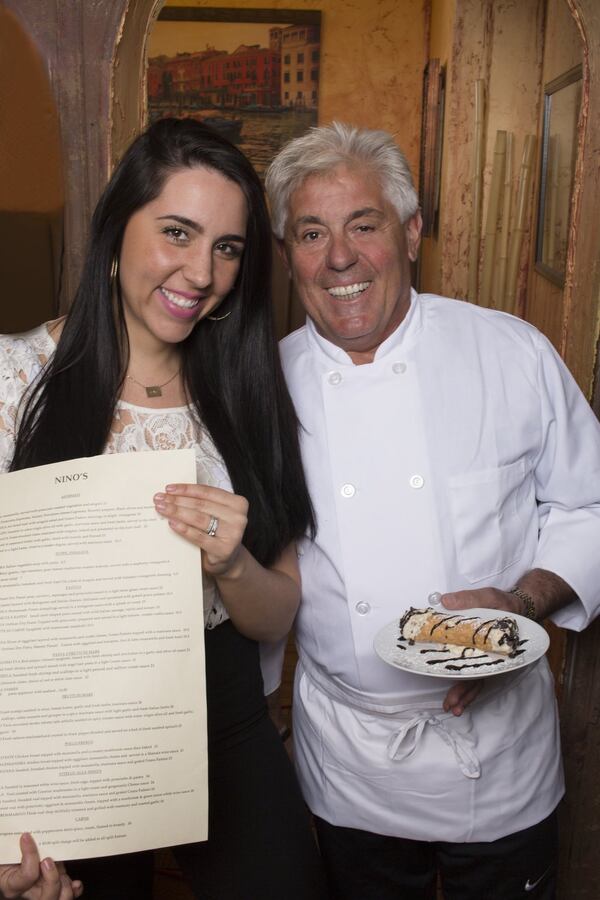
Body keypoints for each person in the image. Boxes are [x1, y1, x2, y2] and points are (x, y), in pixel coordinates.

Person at [263, 121, 600, 899]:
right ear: (288, 256)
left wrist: (519, 609)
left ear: (411, 233)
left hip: (499, 762)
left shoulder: (510, 354)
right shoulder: (260, 388)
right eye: (311, 233)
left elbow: (589, 503)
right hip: (347, 763)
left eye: (364, 225)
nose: (339, 257)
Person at [0, 117, 327, 900]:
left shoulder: (250, 396)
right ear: (116, 234)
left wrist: (233, 562)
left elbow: (276, 615)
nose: (201, 271)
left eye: (226, 247)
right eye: (176, 232)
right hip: (66, 723)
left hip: (223, 710)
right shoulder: (13, 383)